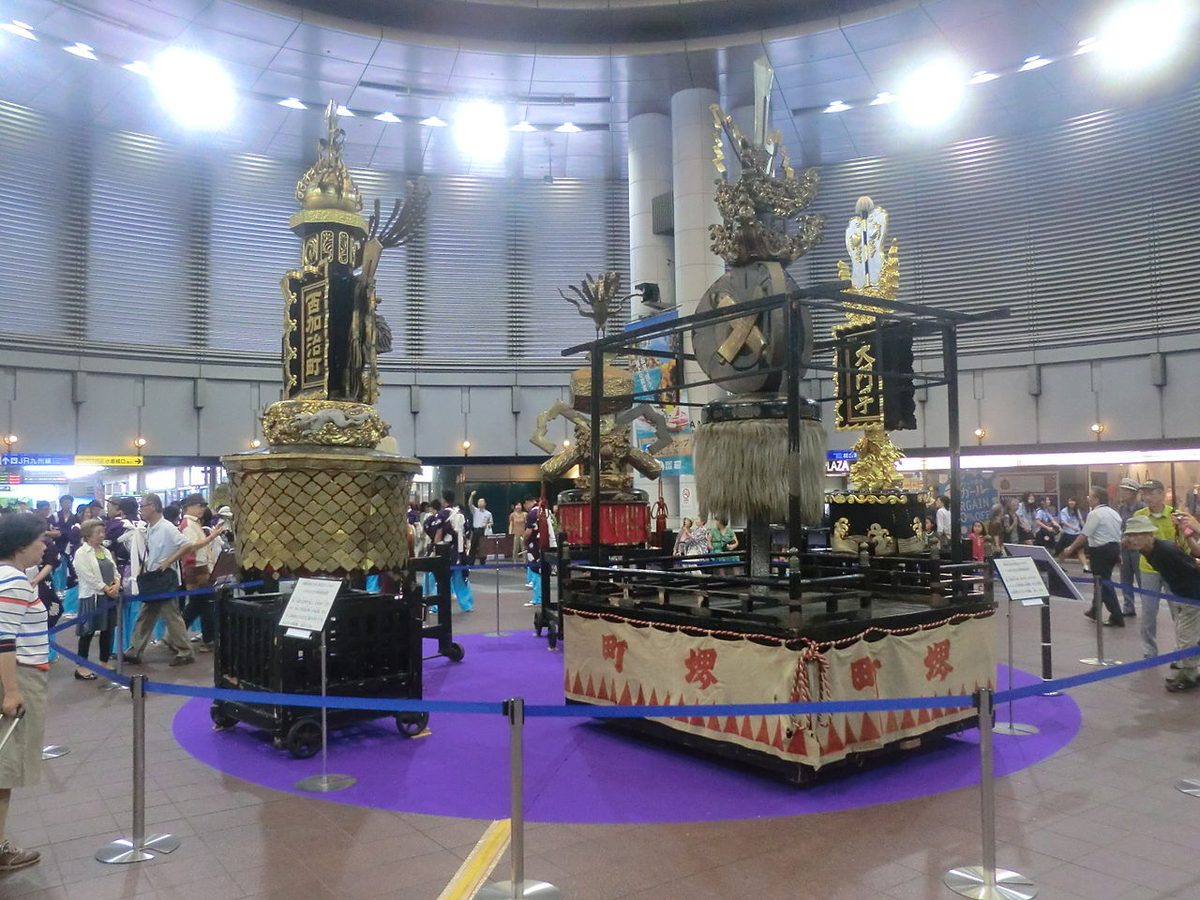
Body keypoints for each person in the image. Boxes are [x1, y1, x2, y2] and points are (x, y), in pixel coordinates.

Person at [0, 512, 56, 871]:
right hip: (19, 677)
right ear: (21, 545)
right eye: (39, 539)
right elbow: (4, 640)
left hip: (18, 675)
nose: (45, 544)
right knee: (6, 769)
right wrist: (12, 692)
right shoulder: (14, 581)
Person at [123, 493, 223, 667]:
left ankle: (183, 651)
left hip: (163, 578)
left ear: (153, 506)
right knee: (149, 614)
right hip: (154, 577)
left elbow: (186, 545)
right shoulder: (153, 527)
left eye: (143, 506)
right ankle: (136, 650)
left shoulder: (166, 527)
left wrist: (168, 561)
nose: (141, 510)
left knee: (170, 615)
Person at [1121, 515, 1200, 691]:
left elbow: (1195, 563)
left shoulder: (1165, 550)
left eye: (1137, 534)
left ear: (1150, 534)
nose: (1132, 539)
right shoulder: (1146, 550)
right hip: (1182, 594)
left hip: (1193, 595)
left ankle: (1189, 676)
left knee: (1186, 637)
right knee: (1187, 634)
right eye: (1130, 535)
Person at [1059, 487, 1124, 627]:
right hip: (1113, 548)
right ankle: (1095, 610)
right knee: (1100, 581)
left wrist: (1071, 548)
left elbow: (1084, 534)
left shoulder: (1095, 514)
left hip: (1100, 551)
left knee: (1103, 583)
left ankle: (1117, 615)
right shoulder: (1114, 513)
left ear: (1097, 499)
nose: (1088, 498)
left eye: (1090, 496)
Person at [1132, 479, 1180, 659]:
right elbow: (1135, 541)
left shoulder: (1175, 514)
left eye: (1151, 493)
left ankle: (1181, 649)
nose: (1147, 497)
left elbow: (1180, 543)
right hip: (1148, 569)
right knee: (1148, 611)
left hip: (1172, 570)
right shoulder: (1139, 515)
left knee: (1178, 611)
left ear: (1162, 494)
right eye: (1144, 493)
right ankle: (1149, 651)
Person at [72, 518, 119, 679]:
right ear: (87, 534)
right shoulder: (81, 553)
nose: (101, 535)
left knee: (108, 629)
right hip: (92, 597)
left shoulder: (105, 551)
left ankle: (104, 661)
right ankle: (81, 666)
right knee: (87, 631)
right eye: (97, 532)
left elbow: (114, 570)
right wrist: (106, 588)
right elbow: (87, 576)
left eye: (102, 532)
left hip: (109, 596)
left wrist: (116, 584)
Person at [178, 494, 216, 651]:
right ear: (189, 507)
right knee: (204, 604)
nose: (202, 508)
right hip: (196, 568)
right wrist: (211, 537)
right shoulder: (188, 524)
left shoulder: (194, 523)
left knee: (197, 605)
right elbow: (190, 546)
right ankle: (208, 639)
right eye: (199, 505)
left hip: (200, 567)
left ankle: (174, 637)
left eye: (203, 506)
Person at [1115, 477, 1142, 618]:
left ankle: (1148, 606)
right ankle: (1128, 607)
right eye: (1122, 490)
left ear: (1133, 493)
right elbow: (1120, 526)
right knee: (1125, 579)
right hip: (1124, 548)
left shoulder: (1142, 507)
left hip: (1139, 549)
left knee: (1142, 579)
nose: (1122, 493)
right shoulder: (1121, 508)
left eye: (1126, 490)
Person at [522, 497, 544, 607]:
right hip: (545, 545)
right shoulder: (544, 510)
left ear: (528, 502)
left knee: (535, 570)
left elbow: (528, 531)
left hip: (534, 546)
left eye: (525, 505)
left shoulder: (531, 513)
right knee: (543, 571)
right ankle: (543, 597)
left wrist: (524, 540)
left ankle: (537, 598)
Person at [1058, 497, 1087, 570]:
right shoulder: (1064, 511)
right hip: (1068, 534)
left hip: (1077, 534)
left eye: (1073, 501)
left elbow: (1081, 520)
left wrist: (1085, 529)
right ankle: (1059, 565)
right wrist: (1072, 527)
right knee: (1066, 551)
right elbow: (1063, 522)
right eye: (1070, 501)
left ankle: (1085, 567)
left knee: (1081, 551)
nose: (1071, 502)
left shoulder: (1077, 510)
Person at [470, 494, 493, 565]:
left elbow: (491, 523)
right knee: (473, 547)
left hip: (483, 531)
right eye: (479, 502)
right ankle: (471, 562)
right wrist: (471, 495)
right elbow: (470, 504)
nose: (480, 503)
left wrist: (487, 525)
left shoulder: (488, 513)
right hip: (475, 530)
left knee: (483, 547)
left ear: (485, 503)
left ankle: (483, 562)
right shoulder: (475, 511)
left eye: (481, 501)